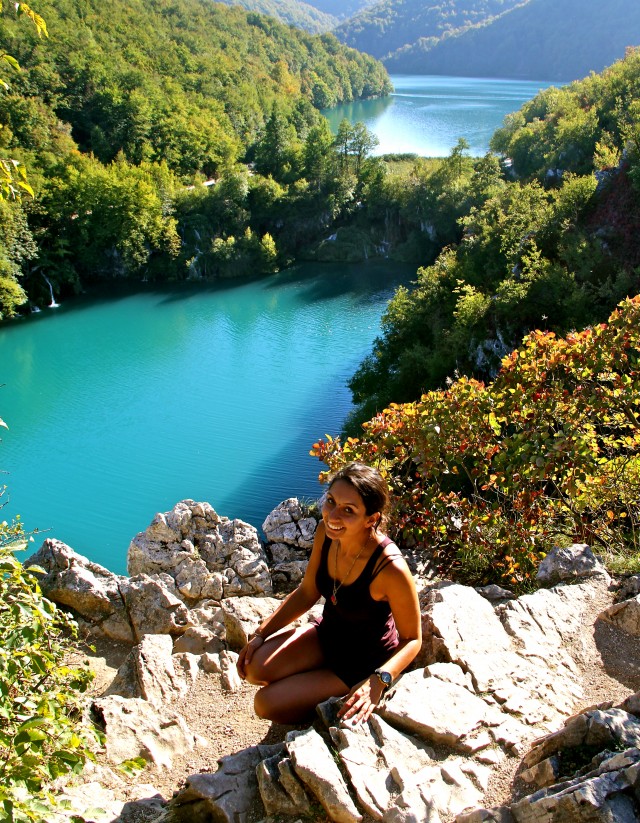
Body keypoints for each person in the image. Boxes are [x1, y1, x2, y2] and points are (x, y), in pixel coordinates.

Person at [237, 462, 422, 726]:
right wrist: (260, 635)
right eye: (331, 501)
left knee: (265, 704)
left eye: (348, 510)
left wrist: (378, 681)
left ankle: (324, 705)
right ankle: (313, 683)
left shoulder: (390, 568)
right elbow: (308, 591)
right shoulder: (326, 534)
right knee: (253, 668)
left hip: (360, 662)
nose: (332, 516)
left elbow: (413, 639)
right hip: (328, 636)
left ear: (371, 519)